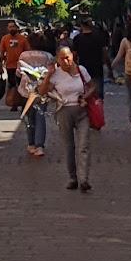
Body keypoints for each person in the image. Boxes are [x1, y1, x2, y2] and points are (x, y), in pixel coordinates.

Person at [43, 44, 97, 192]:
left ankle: (84, 179)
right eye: (62, 59)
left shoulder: (81, 70)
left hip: (82, 111)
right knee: (69, 146)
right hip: (64, 112)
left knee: (83, 146)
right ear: (57, 60)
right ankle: (72, 178)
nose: (66, 61)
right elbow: (42, 91)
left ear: (72, 56)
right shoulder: (56, 74)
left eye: (67, 57)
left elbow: (92, 86)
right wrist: (48, 75)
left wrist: (85, 96)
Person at [17, 39, 55, 156]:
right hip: (42, 89)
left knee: (29, 117)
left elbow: (18, 72)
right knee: (40, 115)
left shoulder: (23, 55)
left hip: (26, 89)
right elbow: (52, 72)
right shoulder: (48, 56)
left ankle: (31, 143)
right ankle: (39, 145)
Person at [72, 17, 108, 89]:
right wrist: (106, 64)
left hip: (83, 69)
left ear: (81, 25)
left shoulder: (77, 39)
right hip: (97, 69)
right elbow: (104, 52)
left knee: (86, 93)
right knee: (99, 96)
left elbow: (74, 55)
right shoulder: (99, 36)